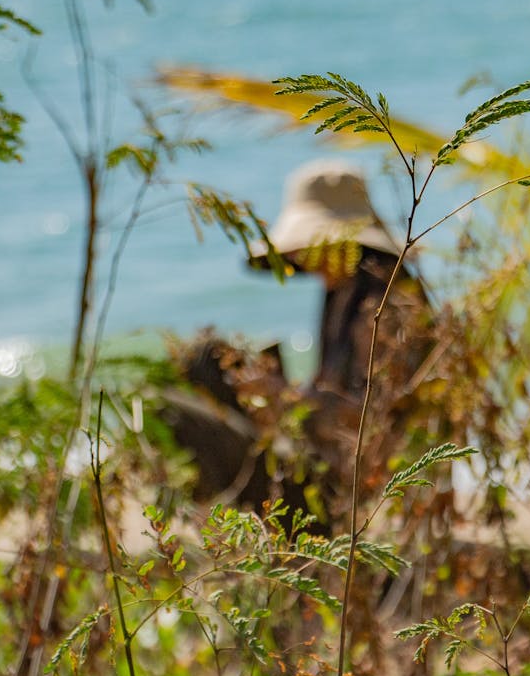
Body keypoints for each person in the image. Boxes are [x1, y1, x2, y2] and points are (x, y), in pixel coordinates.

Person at [161, 160, 432, 521]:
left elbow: (374, 420)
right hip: (320, 463)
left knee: (179, 412)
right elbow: (330, 390)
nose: (295, 255)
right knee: (207, 360)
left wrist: (284, 395)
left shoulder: (387, 301)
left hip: (347, 494)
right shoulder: (343, 291)